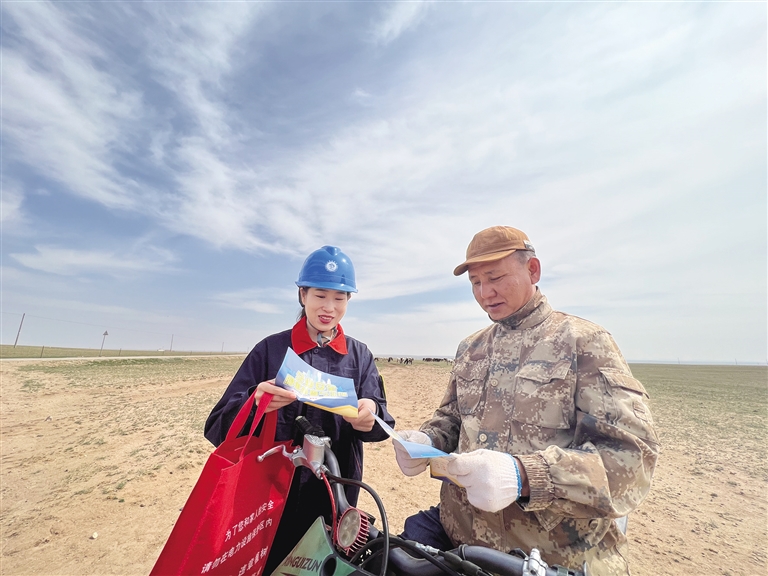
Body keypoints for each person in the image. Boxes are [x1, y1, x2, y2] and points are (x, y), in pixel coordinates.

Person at [394, 226, 659, 576]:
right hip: (459, 538)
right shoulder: (471, 348)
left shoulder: (584, 342)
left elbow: (632, 460)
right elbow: (452, 419)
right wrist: (427, 440)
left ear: (532, 270)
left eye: (495, 278)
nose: (485, 293)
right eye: (475, 282)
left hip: (549, 556)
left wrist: (525, 475)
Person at [205, 245, 394, 576]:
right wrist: (256, 402)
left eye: (340, 298)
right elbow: (217, 426)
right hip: (272, 502)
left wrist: (369, 415)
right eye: (320, 295)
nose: (329, 307)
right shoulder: (271, 350)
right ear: (302, 294)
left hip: (336, 497)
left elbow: (382, 424)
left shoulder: (359, 356)